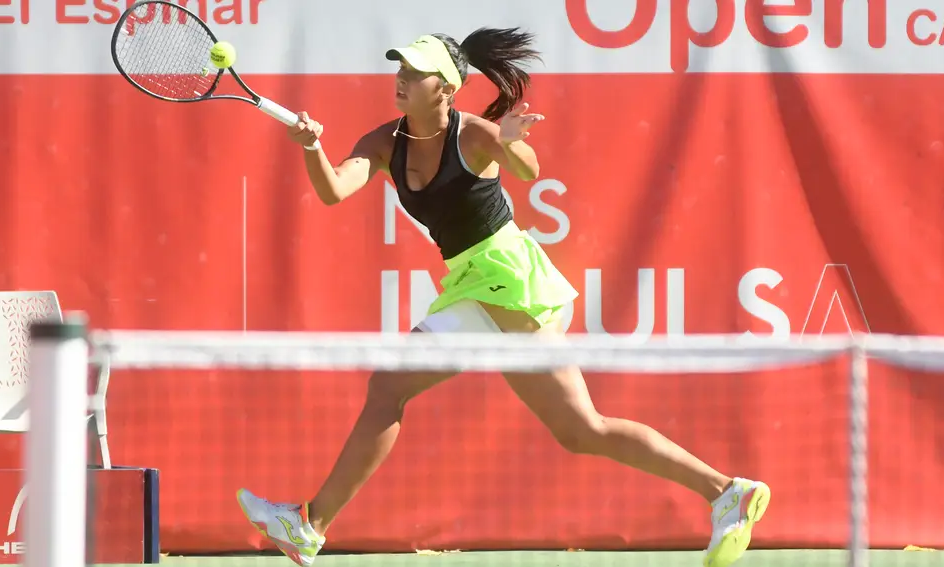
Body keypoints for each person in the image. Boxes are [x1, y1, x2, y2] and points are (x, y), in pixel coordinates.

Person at [235, 28, 770, 567]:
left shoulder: (474, 134)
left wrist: (509, 138)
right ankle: (726, 491)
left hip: (508, 278)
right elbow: (333, 190)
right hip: (473, 284)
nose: (401, 78)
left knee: (393, 386)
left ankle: (310, 524)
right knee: (581, 431)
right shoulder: (382, 143)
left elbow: (529, 170)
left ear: (445, 88)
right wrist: (312, 148)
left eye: (415, 72)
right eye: (400, 67)